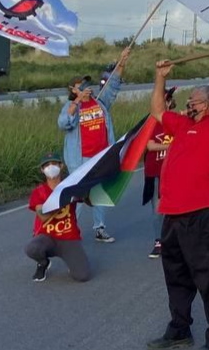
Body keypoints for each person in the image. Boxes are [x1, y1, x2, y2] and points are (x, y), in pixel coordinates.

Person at [146, 42, 209, 350]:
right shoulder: (182, 125)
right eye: (190, 99)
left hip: (202, 213)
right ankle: (179, 328)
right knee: (177, 275)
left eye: (197, 100)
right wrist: (160, 77)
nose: (191, 103)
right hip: (172, 213)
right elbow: (158, 110)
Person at [58, 46, 131, 243]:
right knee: (78, 196)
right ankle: (68, 229)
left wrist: (122, 61)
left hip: (101, 156)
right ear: (73, 90)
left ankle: (99, 228)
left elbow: (113, 85)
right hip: (80, 160)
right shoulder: (71, 107)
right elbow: (63, 123)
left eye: (87, 84)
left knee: (99, 193)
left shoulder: (100, 102)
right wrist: (76, 102)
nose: (86, 88)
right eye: (81, 86)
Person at [25, 153, 91, 283]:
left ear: (61, 166)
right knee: (32, 248)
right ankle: (42, 263)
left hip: (68, 237)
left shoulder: (71, 186)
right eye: (47, 165)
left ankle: (72, 262)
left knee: (82, 276)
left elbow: (90, 203)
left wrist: (86, 194)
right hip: (47, 236)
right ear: (42, 170)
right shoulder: (39, 191)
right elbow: (43, 217)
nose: (51, 167)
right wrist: (64, 200)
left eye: (54, 164)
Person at [143, 87, 177, 257]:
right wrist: (171, 146)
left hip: (176, 172)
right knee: (158, 208)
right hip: (156, 171)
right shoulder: (151, 122)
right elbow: (149, 145)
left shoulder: (178, 120)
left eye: (164, 100)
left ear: (170, 102)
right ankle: (159, 241)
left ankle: (176, 240)